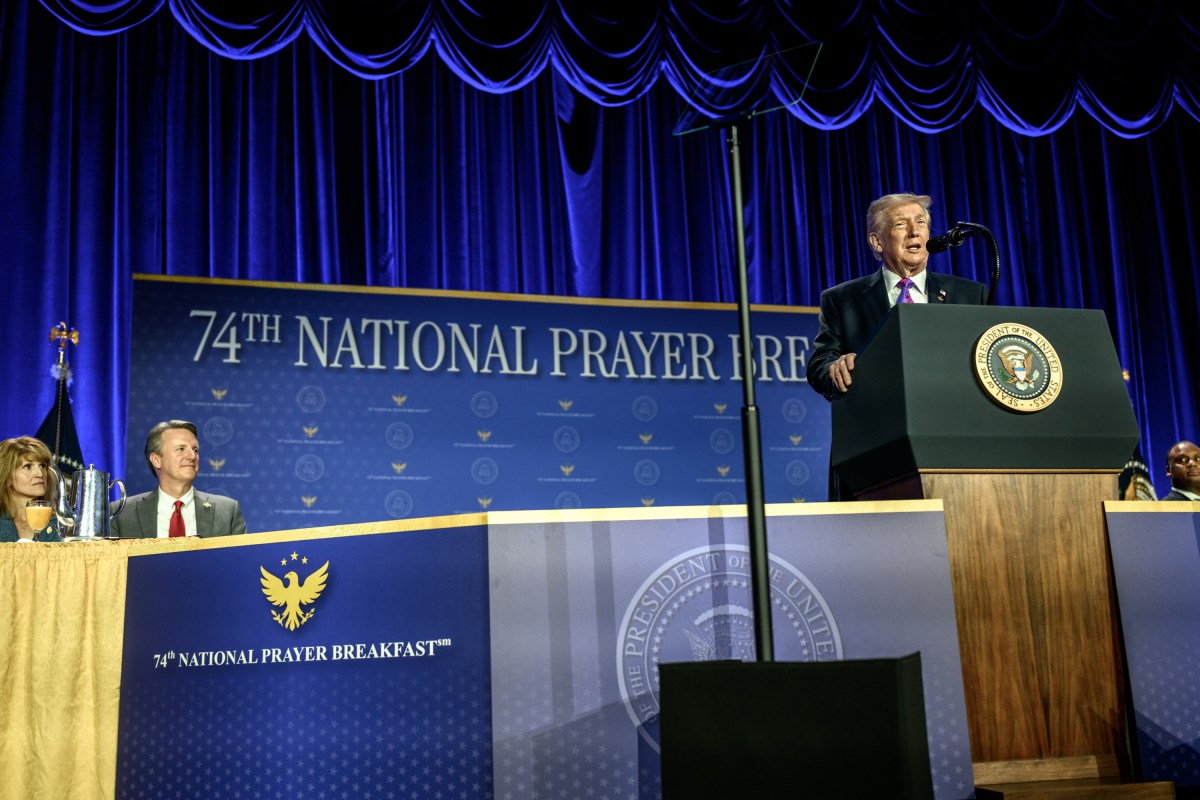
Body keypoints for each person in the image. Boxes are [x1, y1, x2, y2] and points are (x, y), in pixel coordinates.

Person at [806, 192, 989, 500]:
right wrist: (834, 367)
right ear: (877, 242)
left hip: (956, 444)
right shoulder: (842, 299)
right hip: (876, 448)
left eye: (921, 223)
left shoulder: (970, 295)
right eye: (901, 224)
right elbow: (820, 362)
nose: (915, 232)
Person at [111, 420, 247, 538]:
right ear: (156, 460)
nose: (192, 456)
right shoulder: (121, 514)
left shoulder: (227, 511)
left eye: (195, 450)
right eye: (181, 449)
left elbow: (240, 563)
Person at [0, 436, 63, 542]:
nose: (40, 474)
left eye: (42, 466)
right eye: (28, 467)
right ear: (7, 477)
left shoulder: (59, 525)